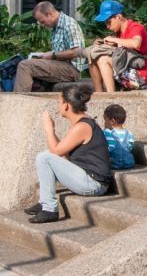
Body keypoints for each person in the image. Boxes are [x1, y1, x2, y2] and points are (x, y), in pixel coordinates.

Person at [24, 84, 112, 224]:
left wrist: (49, 129)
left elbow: (56, 151)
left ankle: (50, 209)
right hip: (88, 178)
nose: (58, 105)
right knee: (46, 155)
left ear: (67, 105)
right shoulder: (81, 123)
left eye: (59, 102)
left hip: (94, 184)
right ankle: (44, 202)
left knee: (45, 157)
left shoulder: (82, 127)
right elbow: (61, 151)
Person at [14, 1, 87, 92]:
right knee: (27, 61)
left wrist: (52, 55)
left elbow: (76, 52)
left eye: (43, 22)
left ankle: (19, 100)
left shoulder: (69, 24)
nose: (43, 25)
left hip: (71, 70)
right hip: (60, 65)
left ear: (50, 14)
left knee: (25, 65)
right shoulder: (55, 27)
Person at [89, 0, 147, 92]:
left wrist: (114, 40)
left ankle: (110, 96)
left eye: (109, 22)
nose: (107, 26)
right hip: (124, 71)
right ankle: (100, 95)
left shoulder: (135, 27)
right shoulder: (118, 32)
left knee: (103, 59)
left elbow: (135, 43)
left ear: (118, 16)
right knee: (92, 59)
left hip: (139, 77)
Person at [103, 104, 135, 170]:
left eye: (105, 120)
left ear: (112, 121)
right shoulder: (129, 133)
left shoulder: (107, 132)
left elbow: (109, 148)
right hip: (129, 163)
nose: (104, 123)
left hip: (113, 163)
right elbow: (130, 148)